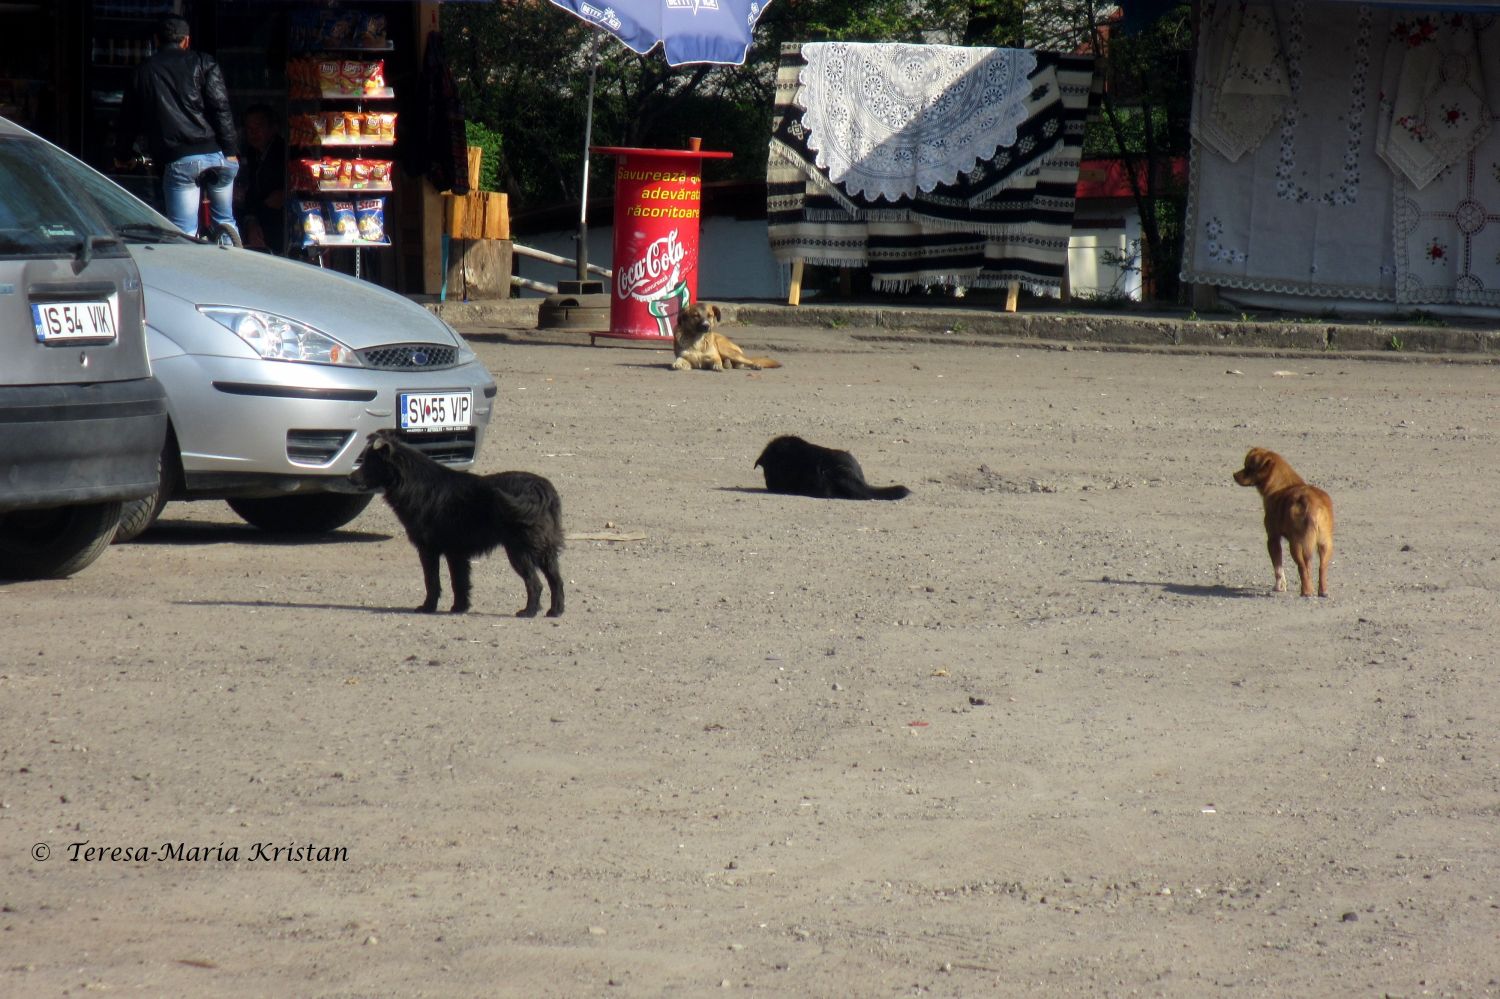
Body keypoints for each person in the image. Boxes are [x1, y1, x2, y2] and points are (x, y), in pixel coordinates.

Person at [114, 15, 240, 242]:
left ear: (156, 40)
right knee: (226, 219)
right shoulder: (204, 62)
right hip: (216, 156)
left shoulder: (144, 71)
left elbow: (128, 119)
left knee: (183, 232)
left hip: (180, 159)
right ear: (186, 41)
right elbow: (221, 108)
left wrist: (122, 154)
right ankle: (234, 254)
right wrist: (230, 151)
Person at [233, 104, 286, 253]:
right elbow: (248, 196)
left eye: (259, 127)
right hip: (257, 221)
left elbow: (276, 199)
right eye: (249, 129)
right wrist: (251, 221)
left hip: (279, 226)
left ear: (273, 128)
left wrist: (285, 193)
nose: (253, 133)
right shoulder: (250, 154)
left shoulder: (286, 152)